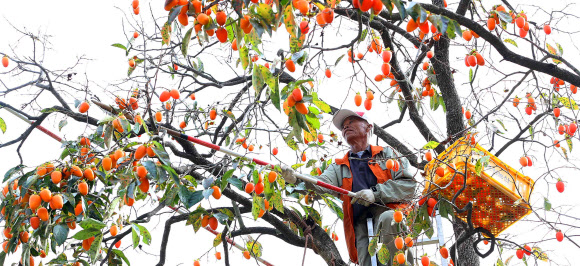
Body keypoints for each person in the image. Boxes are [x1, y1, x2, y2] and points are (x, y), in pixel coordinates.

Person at [281, 109, 417, 266]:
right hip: (360, 226)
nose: (345, 127)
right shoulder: (340, 167)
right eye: (343, 126)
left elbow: (409, 186)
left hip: (389, 215)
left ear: (368, 127)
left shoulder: (387, 155)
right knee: (367, 261)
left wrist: (376, 193)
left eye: (351, 122)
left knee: (389, 219)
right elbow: (320, 183)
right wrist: (296, 179)